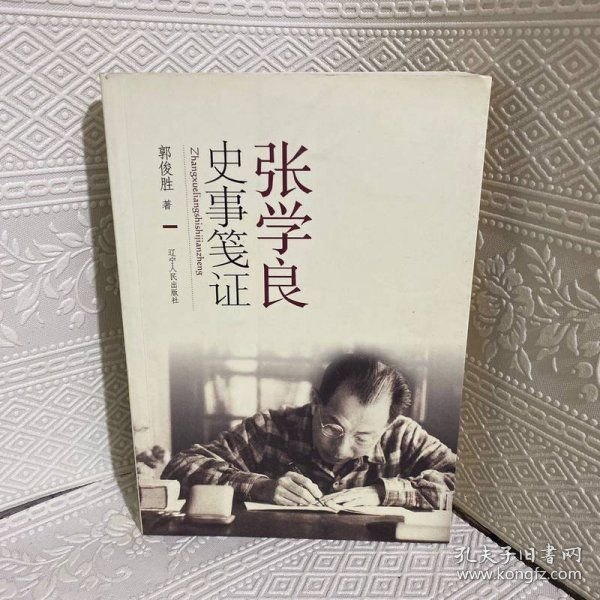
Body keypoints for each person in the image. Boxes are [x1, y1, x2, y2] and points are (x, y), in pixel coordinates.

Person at [161, 353, 456, 509]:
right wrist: (261, 487)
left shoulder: (403, 436)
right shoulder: (271, 428)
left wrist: (383, 492)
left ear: (387, 425)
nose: (341, 449)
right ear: (316, 402)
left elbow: (467, 486)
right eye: (333, 427)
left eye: (363, 437)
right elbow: (180, 469)